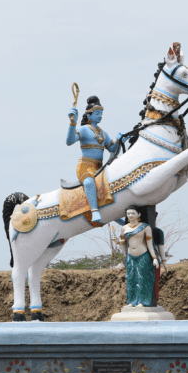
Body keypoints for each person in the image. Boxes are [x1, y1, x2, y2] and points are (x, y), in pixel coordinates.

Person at [66, 96, 121, 224]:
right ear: (89, 115)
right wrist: (73, 122)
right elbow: (69, 141)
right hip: (85, 166)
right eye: (97, 113)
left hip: (99, 168)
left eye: (101, 114)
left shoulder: (103, 133)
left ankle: (116, 214)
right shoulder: (84, 129)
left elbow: (113, 150)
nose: (100, 116)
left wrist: (120, 140)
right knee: (89, 182)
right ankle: (94, 210)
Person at [113, 206, 160, 307]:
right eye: (128, 213)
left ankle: (142, 301)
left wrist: (154, 258)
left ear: (139, 214)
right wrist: (117, 241)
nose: (130, 215)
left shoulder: (145, 227)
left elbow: (149, 244)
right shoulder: (124, 228)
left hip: (143, 255)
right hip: (130, 256)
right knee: (131, 279)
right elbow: (124, 242)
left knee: (142, 279)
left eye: (133, 213)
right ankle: (131, 301)